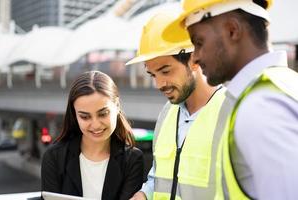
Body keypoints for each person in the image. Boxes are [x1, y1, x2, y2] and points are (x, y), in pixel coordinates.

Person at [163, 0, 298, 199]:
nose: (195, 57)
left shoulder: (260, 109)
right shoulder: (284, 84)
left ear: (232, 30)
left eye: (199, 42)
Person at [126, 12, 226, 200]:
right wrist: (144, 195)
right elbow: (161, 175)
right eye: (153, 75)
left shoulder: (230, 113)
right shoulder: (167, 113)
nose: (159, 84)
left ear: (194, 60)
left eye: (165, 71)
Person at [41, 71, 144, 200]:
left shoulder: (132, 160)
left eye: (103, 113)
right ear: (75, 115)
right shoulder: (54, 157)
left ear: (117, 106)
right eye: (85, 117)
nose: (95, 125)